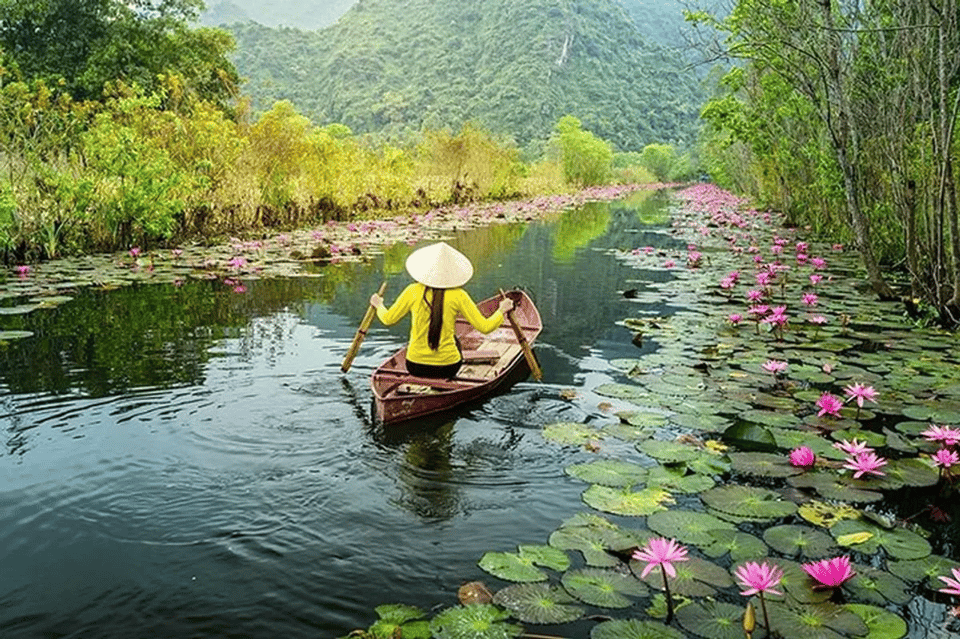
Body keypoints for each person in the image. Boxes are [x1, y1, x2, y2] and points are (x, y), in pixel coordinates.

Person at [370, 241, 513, 379]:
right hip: (447, 367)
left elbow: (388, 319)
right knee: (455, 341)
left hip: (414, 366)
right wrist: (502, 310)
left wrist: (378, 305)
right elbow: (485, 327)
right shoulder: (458, 295)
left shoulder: (412, 291)